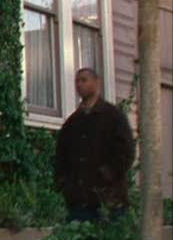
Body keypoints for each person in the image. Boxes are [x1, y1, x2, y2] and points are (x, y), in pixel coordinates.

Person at [54, 68, 136, 223]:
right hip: (79, 203)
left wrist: (108, 173)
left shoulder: (113, 116)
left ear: (96, 83)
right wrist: (65, 184)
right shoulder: (72, 123)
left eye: (84, 80)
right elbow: (61, 158)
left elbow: (126, 151)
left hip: (109, 200)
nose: (79, 84)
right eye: (77, 81)